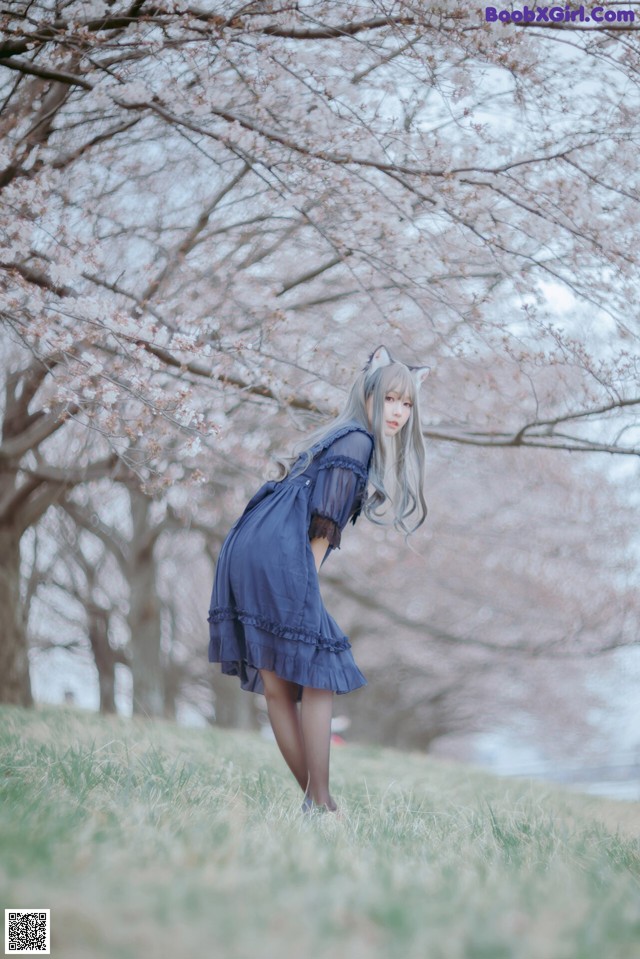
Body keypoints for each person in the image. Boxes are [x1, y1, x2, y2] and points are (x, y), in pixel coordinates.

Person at [208, 345, 429, 813]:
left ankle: (318, 803)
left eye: (407, 404)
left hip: (246, 547)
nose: (398, 412)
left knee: (279, 683)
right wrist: (304, 588)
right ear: (367, 393)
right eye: (390, 399)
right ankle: (320, 803)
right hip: (278, 555)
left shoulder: (341, 436)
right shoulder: (358, 443)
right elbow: (323, 526)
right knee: (319, 671)